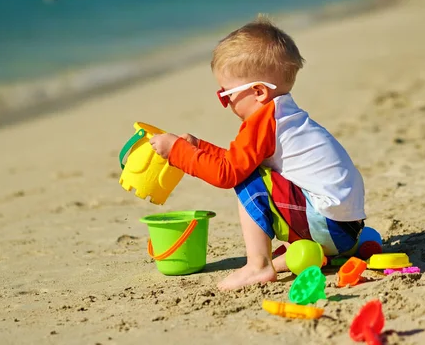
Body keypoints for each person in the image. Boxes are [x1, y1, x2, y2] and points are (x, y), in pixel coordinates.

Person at [149, 16, 367, 290]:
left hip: (327, 225)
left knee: (247, 178)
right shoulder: (283, 115)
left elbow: (227, 173)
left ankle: (258, 266)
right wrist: (198, 147)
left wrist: (177, 151)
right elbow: (235, 158)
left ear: (259, 91)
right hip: (347, 230)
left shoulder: (264, 122)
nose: (225, 102)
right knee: (251, 170)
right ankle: (299, 255)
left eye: (226, 94)